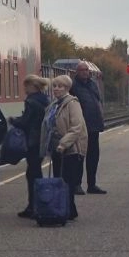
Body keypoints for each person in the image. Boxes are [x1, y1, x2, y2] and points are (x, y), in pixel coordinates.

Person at [40, 75, 88, 221]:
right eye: (54, 86)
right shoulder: (54, 105)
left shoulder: (72, 104)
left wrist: (63, 143)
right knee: (59, 180)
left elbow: (77, 126)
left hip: (71, 148)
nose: (56, 89)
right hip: (57, 148)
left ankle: (67, 210)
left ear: (67, 88)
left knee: (67, 181)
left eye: (60, 86)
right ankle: (64, 209)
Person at [10, 75, 51, 218]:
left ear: (32, 86)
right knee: (35, 172)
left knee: (32, 174)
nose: (24, 89)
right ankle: (35, 205)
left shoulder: (31, 101)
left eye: (25, 86)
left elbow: (26, 122)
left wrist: (13, 121)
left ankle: (34, 206)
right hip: (42, 140)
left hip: (33, 141)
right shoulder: (45, 99)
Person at [70, 62, 106, 195]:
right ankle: (77, 184)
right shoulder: (73, 86)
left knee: (93, 156)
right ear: (77, 72)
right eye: (82, 70)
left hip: (94, 126)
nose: (85, 72)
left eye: (86, 70)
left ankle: (92, 184)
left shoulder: (92, 84)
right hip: (81, 126)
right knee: (79, 156)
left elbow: (97, 100)